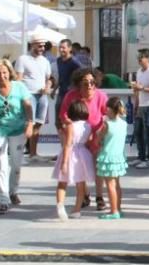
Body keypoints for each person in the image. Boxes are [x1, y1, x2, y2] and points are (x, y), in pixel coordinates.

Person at [0, 58, 34, 215]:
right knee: (1, 164)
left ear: (9, 73)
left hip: (18, 129)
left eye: (4, 72)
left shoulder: (19, 87)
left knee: (16, 164)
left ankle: (13, 191)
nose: (2, 76)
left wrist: (30, 123)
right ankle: (3, 199)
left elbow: (27, 106)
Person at [59, 68, 110, 211]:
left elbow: (107, 116)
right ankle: (85, 195)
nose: (89, 85)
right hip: (77, 137)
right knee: (78, 167)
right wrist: (71, 127)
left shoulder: (101, 96)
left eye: (92, 82)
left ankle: (99, 196)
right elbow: (63, 114)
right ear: (79, 84)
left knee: (98, 167)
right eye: (85, 82)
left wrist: (98, 133)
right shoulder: (71, 95)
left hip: (95, 135)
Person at [53, 100, 95, 221]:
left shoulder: (71, 125)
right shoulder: (88, 126)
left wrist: (64, 162)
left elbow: (68, 144)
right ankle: (77, 210)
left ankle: (60, 205)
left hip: (71, 153)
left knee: (62, 182)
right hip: (83, 153)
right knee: (81, 183)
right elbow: (89, 139)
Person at [15, 36, 54, 162]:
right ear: (32, 45)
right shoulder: (23, 59)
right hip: (28, 95)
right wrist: (20, 95)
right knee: (28, 124)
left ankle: (33, 154)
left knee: (38, 124)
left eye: (43, 46)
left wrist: (48, 87)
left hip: (42, 95)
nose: (42, 48)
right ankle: (19, 154)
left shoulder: (45, 61)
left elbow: (49, 78)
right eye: (39, 46)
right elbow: (18, 79)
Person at [95, 96, 128, 220]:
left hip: (108, 156)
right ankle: (118, 208)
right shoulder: (124, 124)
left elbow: (98, 139)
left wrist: (98, 135)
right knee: (117, 184)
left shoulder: (107, 124)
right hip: (119, 157)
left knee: (110, 185)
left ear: (110, 109)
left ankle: (114, 211)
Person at [52, 39, 81, 107]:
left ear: (70, 48)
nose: (61, 50)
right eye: (60, 47)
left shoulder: (74, 62)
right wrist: (54, 90)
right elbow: (61, 76)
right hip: (61, 92)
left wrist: (74, 87)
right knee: (58, 111)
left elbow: (81, 76)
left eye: (63, 48)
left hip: (72, 93)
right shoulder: (59, 60)